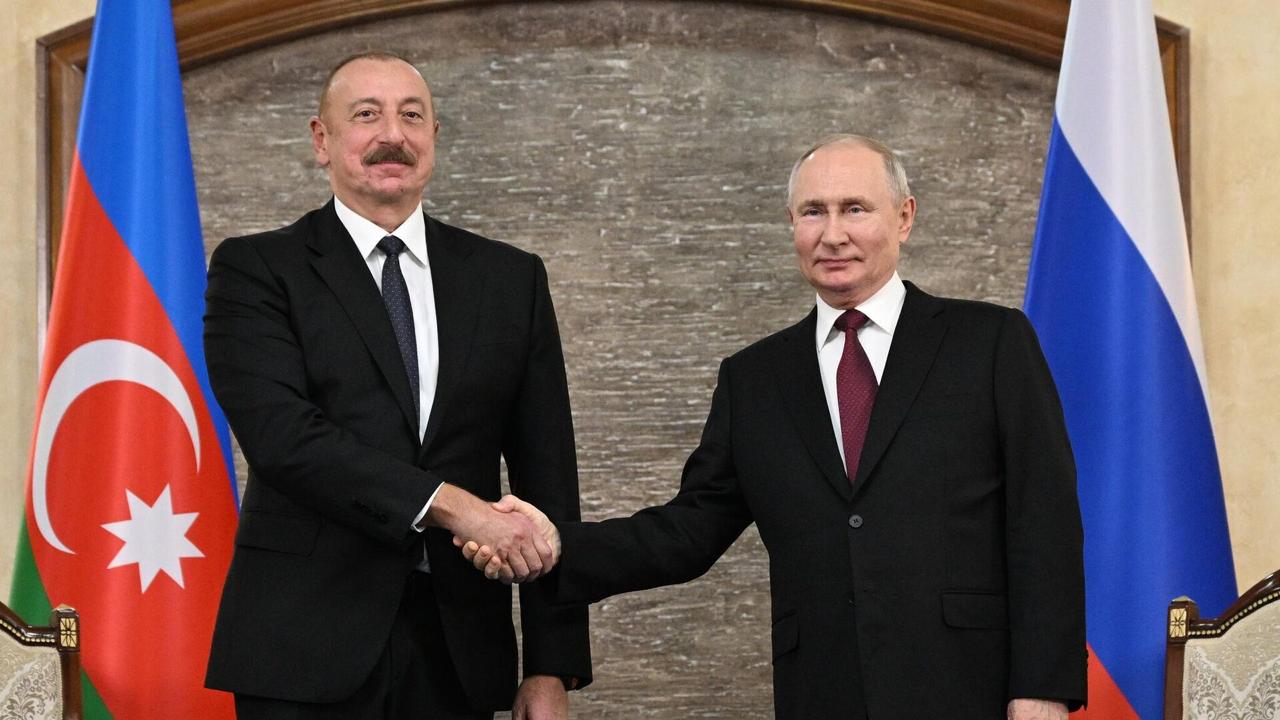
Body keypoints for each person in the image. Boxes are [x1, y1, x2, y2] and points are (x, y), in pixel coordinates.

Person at [461, 136, 1086, 719]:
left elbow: (1045, 522)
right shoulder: (755, 379)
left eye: (855, 209)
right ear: (792, 224)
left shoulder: (990, 343)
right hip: (822, 693)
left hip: (973, 690)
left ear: (904, 217)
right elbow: (687, 531)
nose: (833, 234)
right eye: (813, 212)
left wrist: (1042, 688)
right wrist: (555, 544)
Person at [203, 52, 590, 719]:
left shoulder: (510, 279)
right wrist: (454, 507)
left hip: (459, 652)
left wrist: (551, 665)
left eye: (412, 116)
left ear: (434, 137)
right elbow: (283, 439)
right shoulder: (257, 268)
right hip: (301, 648)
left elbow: (548, 478)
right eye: (366, 114)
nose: (393, 134)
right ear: (322, 140)